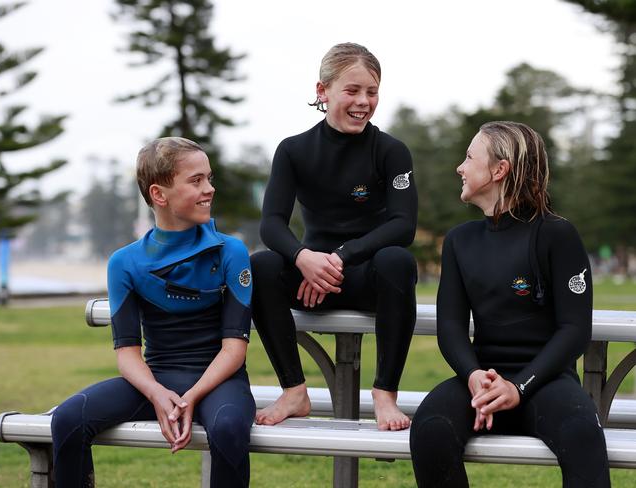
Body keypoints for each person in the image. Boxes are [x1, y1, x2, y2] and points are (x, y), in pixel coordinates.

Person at [410, 121, 610, 487]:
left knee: (582, 434)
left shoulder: (556, 234)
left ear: (499, 170)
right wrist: (474, 377)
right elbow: (451, 327)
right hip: (481, 381)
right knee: (430, 430)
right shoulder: (460, 240)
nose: (460, 167)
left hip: (546, 381)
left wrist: (518, 387)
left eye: (469, 157)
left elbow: (574, 330)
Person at [50, 137, 255, 488]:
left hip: (221, 381)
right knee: (68, 418)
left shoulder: (230, 251)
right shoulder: (125, 263)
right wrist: (156, 393)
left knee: (228, 429)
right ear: (159, 195)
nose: (209, 189)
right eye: (196, 181)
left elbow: (234, 349)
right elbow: (127, 354)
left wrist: (192, 396)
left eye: (209, 178)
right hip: (157, 376)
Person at [251, 42, 418, 431]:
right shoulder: (293, 151)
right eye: (353, 90)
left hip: (365, 277)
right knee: (261, 264)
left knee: (398, 260)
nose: (364, 101)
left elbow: (402, 225)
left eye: (372, 92)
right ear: (322, 91)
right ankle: (294, 390)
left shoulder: (391, 151)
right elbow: (272, 224)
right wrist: (303, 258)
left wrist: (338, 258)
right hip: (311, 277)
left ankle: (384, 394)